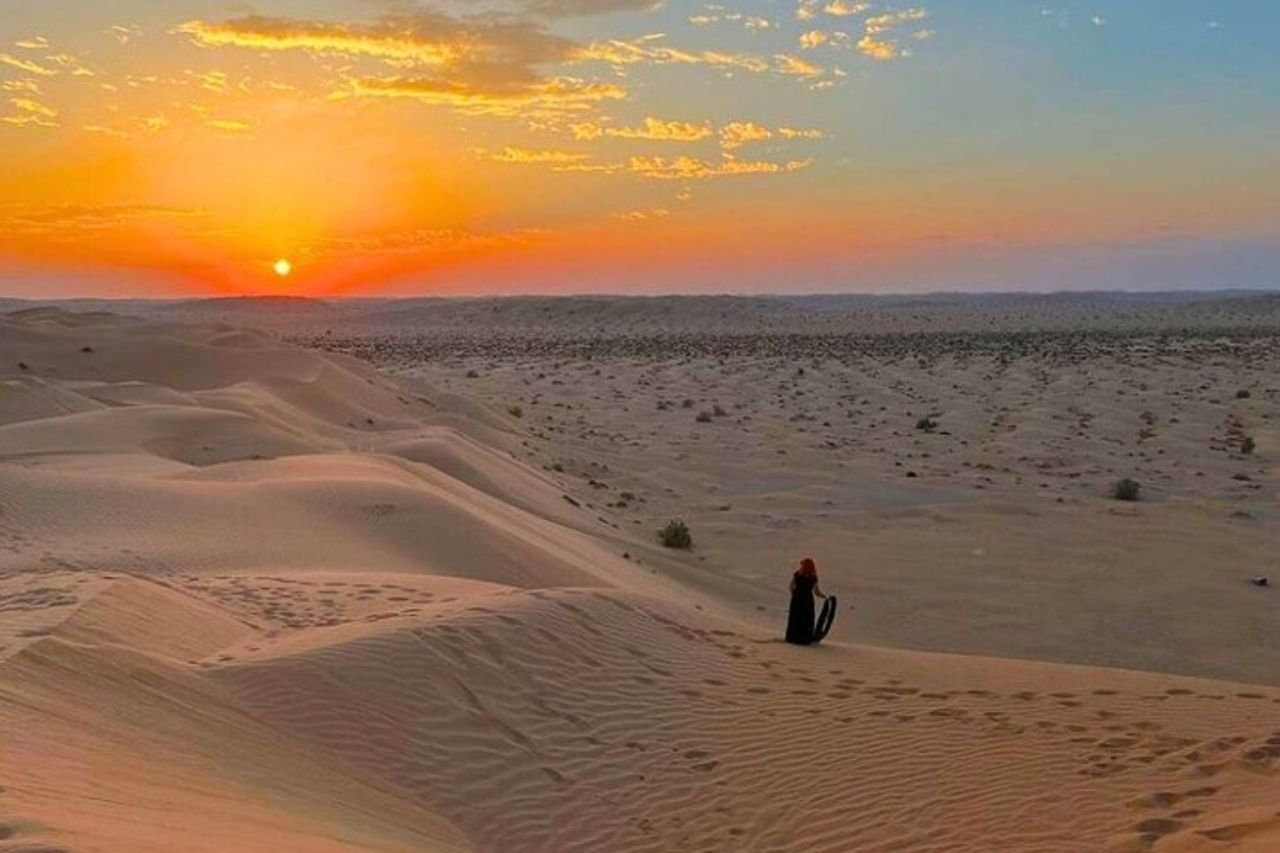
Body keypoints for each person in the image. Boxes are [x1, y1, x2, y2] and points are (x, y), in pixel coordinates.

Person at [785, 557, 828, 645]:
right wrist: (823, 596)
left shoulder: (797, 575)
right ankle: (804, 639)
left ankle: (793, 637)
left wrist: (795, 595)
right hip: (807, 600)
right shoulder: (813, 577)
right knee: (806, 619)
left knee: (795, 618)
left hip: (797, 599)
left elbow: (791, 587)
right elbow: (816, 591)